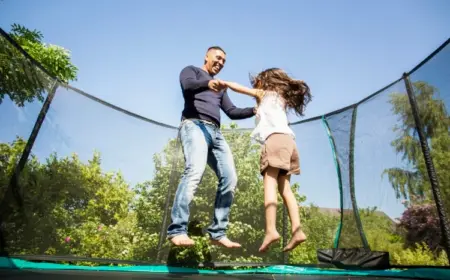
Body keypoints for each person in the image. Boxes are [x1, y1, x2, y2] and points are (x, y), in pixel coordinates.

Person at [167, 46, 256, 248]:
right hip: (194, 125)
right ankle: (178, 230)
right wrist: (209, 83)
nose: (221, 62)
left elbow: (232, 111)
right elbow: (188, 86)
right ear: (207, 56)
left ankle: (217, 232)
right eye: (218, 58)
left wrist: (254, 109)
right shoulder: (192, 71)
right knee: (194, 171)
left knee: (230, 177)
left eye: (224, 60)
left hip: (216, 133)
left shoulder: (220, 88)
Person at [219, 68, 311, 252]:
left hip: (275, 140)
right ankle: (297, 230)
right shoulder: (281, 98)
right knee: (285, 189)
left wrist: (225, 84)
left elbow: (240, 88)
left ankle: (271, 230)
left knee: (269, 185)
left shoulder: (265, 93)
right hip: (289, 142)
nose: (254, 88)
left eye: (256, 83)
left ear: (264, 82)